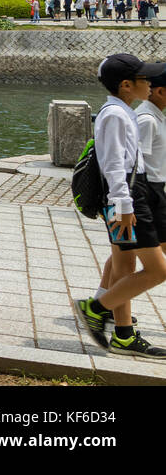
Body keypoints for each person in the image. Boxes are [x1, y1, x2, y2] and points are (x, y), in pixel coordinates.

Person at [74, 54, 166, 357]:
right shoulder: (115, 114)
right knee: (157, 269)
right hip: (126, 197)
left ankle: (124, 335)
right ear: (126, 85)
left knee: (125, 265)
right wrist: (124, 205)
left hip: (127, 195)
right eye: (144, 79)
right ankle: (96, 308)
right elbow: (114, 165)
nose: (150, 83)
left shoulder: (121, 110)